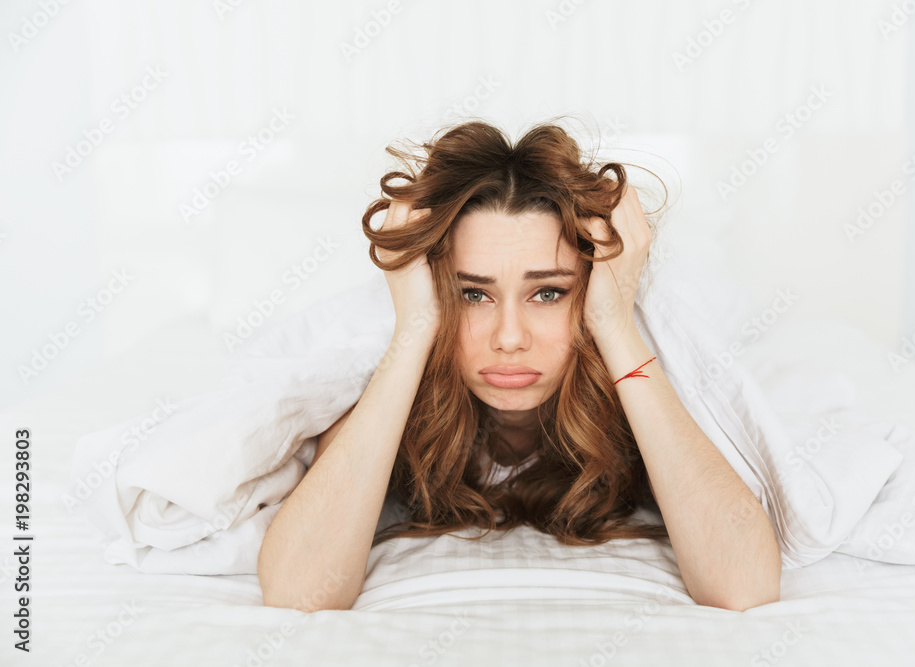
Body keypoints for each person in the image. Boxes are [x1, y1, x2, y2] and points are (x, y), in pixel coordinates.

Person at [257, 118, 781, 613]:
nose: (509, 339)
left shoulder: (628, 372)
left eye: (548, 292)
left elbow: (743, 587)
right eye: (473, 295)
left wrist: (615, 324)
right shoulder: (395, 386)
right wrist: (415, 326)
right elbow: (299, 593)